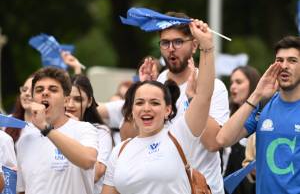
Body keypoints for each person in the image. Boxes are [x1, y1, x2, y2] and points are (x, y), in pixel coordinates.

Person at [101, 19, 215, 194]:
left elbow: (204, 97)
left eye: (155, 103)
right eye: (139, 103)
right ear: (132, 109)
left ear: (167, 110)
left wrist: (206, 46)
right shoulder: (119, 151)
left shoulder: (180, 136)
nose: (146, 108)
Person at [216, 36, 300, 194]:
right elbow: (223, 139)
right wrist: (256, 94)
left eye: (292, 60)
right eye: (279, 60)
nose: (284, 66)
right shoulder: (263, 104)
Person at [16, 66, 99, 194]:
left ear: (66, 100)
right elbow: (22, 190)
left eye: (53, 90)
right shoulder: (25, 139)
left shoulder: (83, 129)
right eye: (39, 90)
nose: (45, 93)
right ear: (33, 99)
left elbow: (88, 160)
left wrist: (46, 128)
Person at [66, 74, 113, 194]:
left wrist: (76, 129)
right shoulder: (50, 131)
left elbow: (96, 173)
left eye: (78, 99)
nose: (70, 105)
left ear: (89, 101)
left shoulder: (101, 132)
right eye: (67, 98)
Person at [224, 66, 260, 194]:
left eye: (238, 82)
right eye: (232, 82)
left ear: (253, 84)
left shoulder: (262, 117)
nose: (233, 86)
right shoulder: (225, 115)